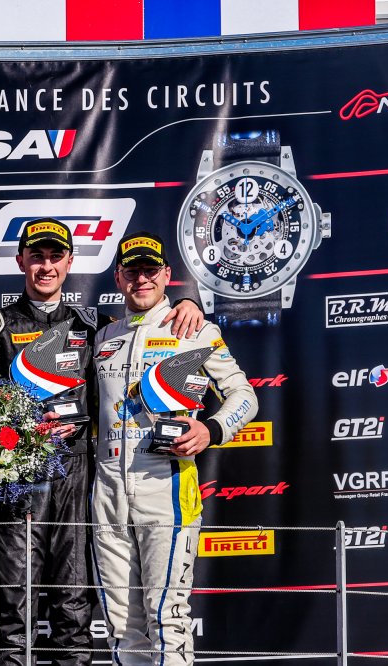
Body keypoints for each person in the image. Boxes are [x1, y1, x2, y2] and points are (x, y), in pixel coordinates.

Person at [0, 219, 204, 666]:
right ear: (20, 261)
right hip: (17, 481)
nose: (46, 266)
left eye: (56, 256)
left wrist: (190, 302)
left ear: (70, 262)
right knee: (14, 608)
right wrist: (25, 431)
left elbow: (148, 325)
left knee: (73, 608)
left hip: (78, 479)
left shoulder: (95, 327)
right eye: (37, 256)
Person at [91, 231, 258, 665]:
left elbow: (245, 396)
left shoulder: (193, 328)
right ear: (118, 277)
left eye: (151, 270)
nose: (141, 279)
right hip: (107, 488)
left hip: (166, 484)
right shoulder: (103, 336)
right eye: (132, 271)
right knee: (120, 624)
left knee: (167, 616)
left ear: (167, 274)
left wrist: (212, 430)